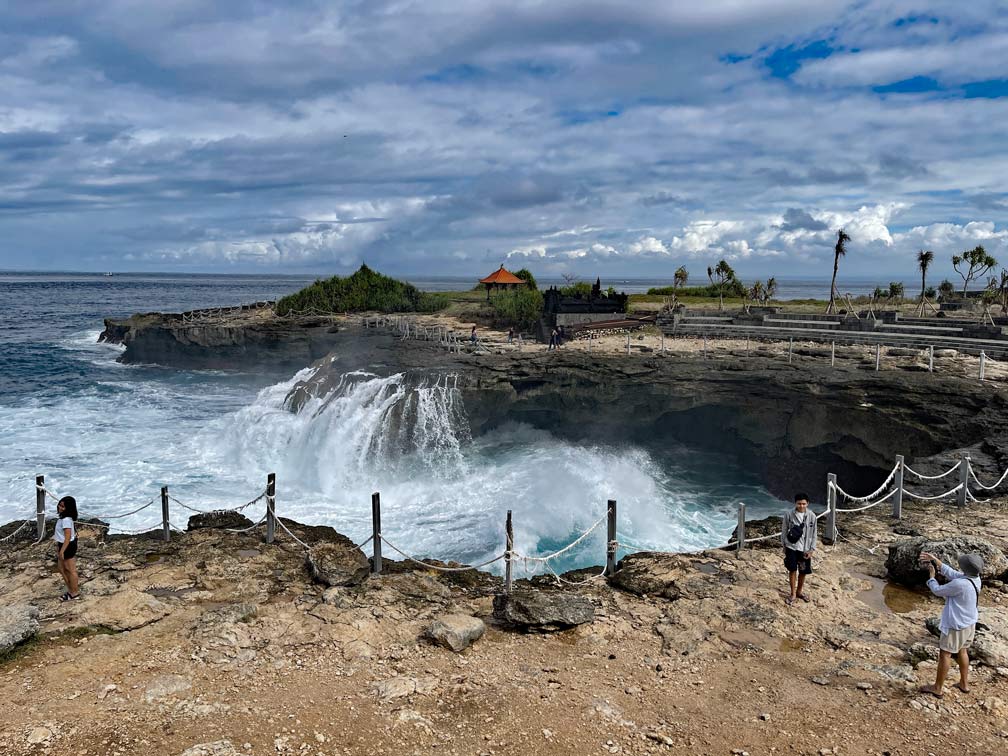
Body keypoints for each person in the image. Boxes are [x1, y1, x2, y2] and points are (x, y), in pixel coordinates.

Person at [919, 551, 982, 697]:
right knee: (963, 651)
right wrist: (936, 560)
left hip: (956, 625)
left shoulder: (960, 584)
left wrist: (932, 577)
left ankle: (937, 688)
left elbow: (938, 591)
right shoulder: (975, 579)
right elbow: (953, 573)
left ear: (965, 568)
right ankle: (964, 684)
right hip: (969, 623)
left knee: (945, 654)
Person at [781, 492, 817, 606]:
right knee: (792, 570)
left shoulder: (812, 516)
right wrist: (784, 546)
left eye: (803, 504)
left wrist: (812, 549)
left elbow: (814, 533)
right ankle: (793, 594)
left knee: (803, 571)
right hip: (791, 547)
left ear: (808, 503)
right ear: (795, 503)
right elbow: (784, 530)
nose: (801, 506)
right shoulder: (788, 514)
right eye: (799, 504)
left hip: (805, 549)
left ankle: (799, 592)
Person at [54, 495, 80, 601]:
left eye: (63, 507)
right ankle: (71, 590)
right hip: (63, 544)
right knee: (62, 569)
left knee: (70, 570)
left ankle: (74, 593)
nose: (60, 507)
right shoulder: (63, 518)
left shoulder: (66, 520)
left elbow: (68, 537)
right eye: (60, 505)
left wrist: (62, 551)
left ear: (68, 508)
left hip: (67, 546)